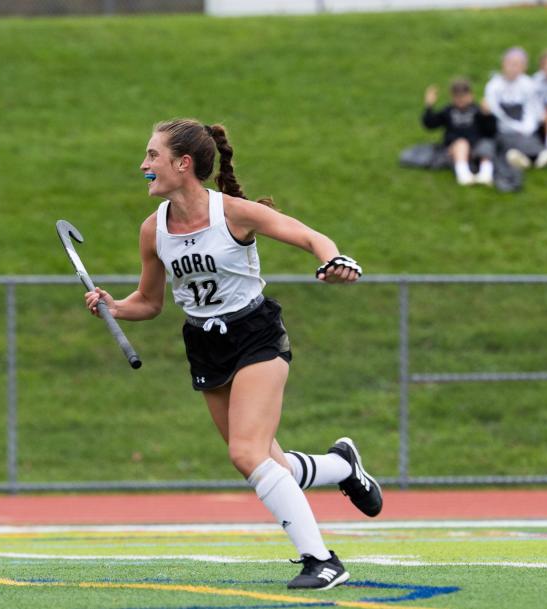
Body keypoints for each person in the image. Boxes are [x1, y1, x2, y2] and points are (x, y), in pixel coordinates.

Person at [84, 118, 383, 591]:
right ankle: (343, 466)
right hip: (205, 346)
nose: (143, 166)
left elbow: (309, 236)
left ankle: (322, 560)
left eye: (152, 156)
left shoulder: (234, 213)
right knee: (268, 462)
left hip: (254, 335)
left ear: (183, 164)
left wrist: (334, 260)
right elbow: (150, 302)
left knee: (245, 452)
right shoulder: (152, 230)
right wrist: (114, 306)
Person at [484, 46, 547, 192]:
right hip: (504, 130)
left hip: (526, 129)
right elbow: (496, 111)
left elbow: (533, 109)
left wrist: (526, 127)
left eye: (517, 64)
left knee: (529, 138)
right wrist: (515, 127)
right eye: (510, 63)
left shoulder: (528, 84)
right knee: (507, 142)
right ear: (503, 64)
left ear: (524, 67)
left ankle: (527, 157)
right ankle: (533, 157)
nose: (513, 68)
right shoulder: (494, 86)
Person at [421, 78, 496, 186]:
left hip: (476, 147)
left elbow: (490, 131)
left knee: (486, 145)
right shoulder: (448, 111)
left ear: (471, 96)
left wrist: (488, 115)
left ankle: (485, 175)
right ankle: (464, 175)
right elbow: (430, 124)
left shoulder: (477, 110)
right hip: (455, 148)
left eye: (463, 96)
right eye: (457, 97)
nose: (460, 100)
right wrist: (429, 106)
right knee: (462, 144)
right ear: (452, 97)